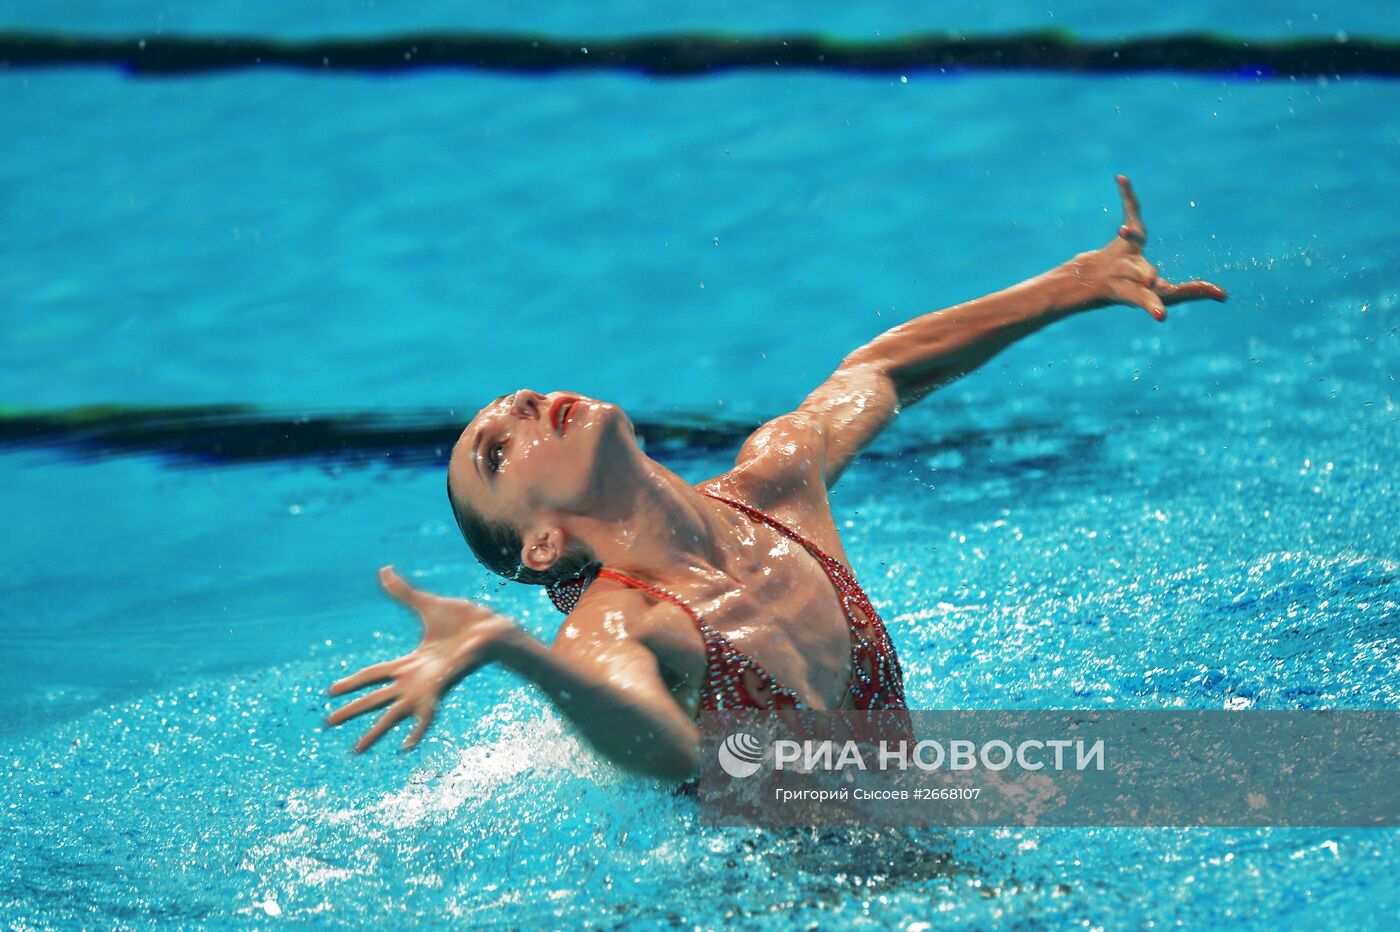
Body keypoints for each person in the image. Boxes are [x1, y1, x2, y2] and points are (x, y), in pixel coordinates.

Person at [325, 175, 1225, 780]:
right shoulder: (621, 621)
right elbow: (663, 747)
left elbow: (882, 372)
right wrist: (512, 651)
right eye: (496, 451)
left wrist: (1075, 283)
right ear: (544, 542)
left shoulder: (777, 485)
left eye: (516, 398)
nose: (521, 404)